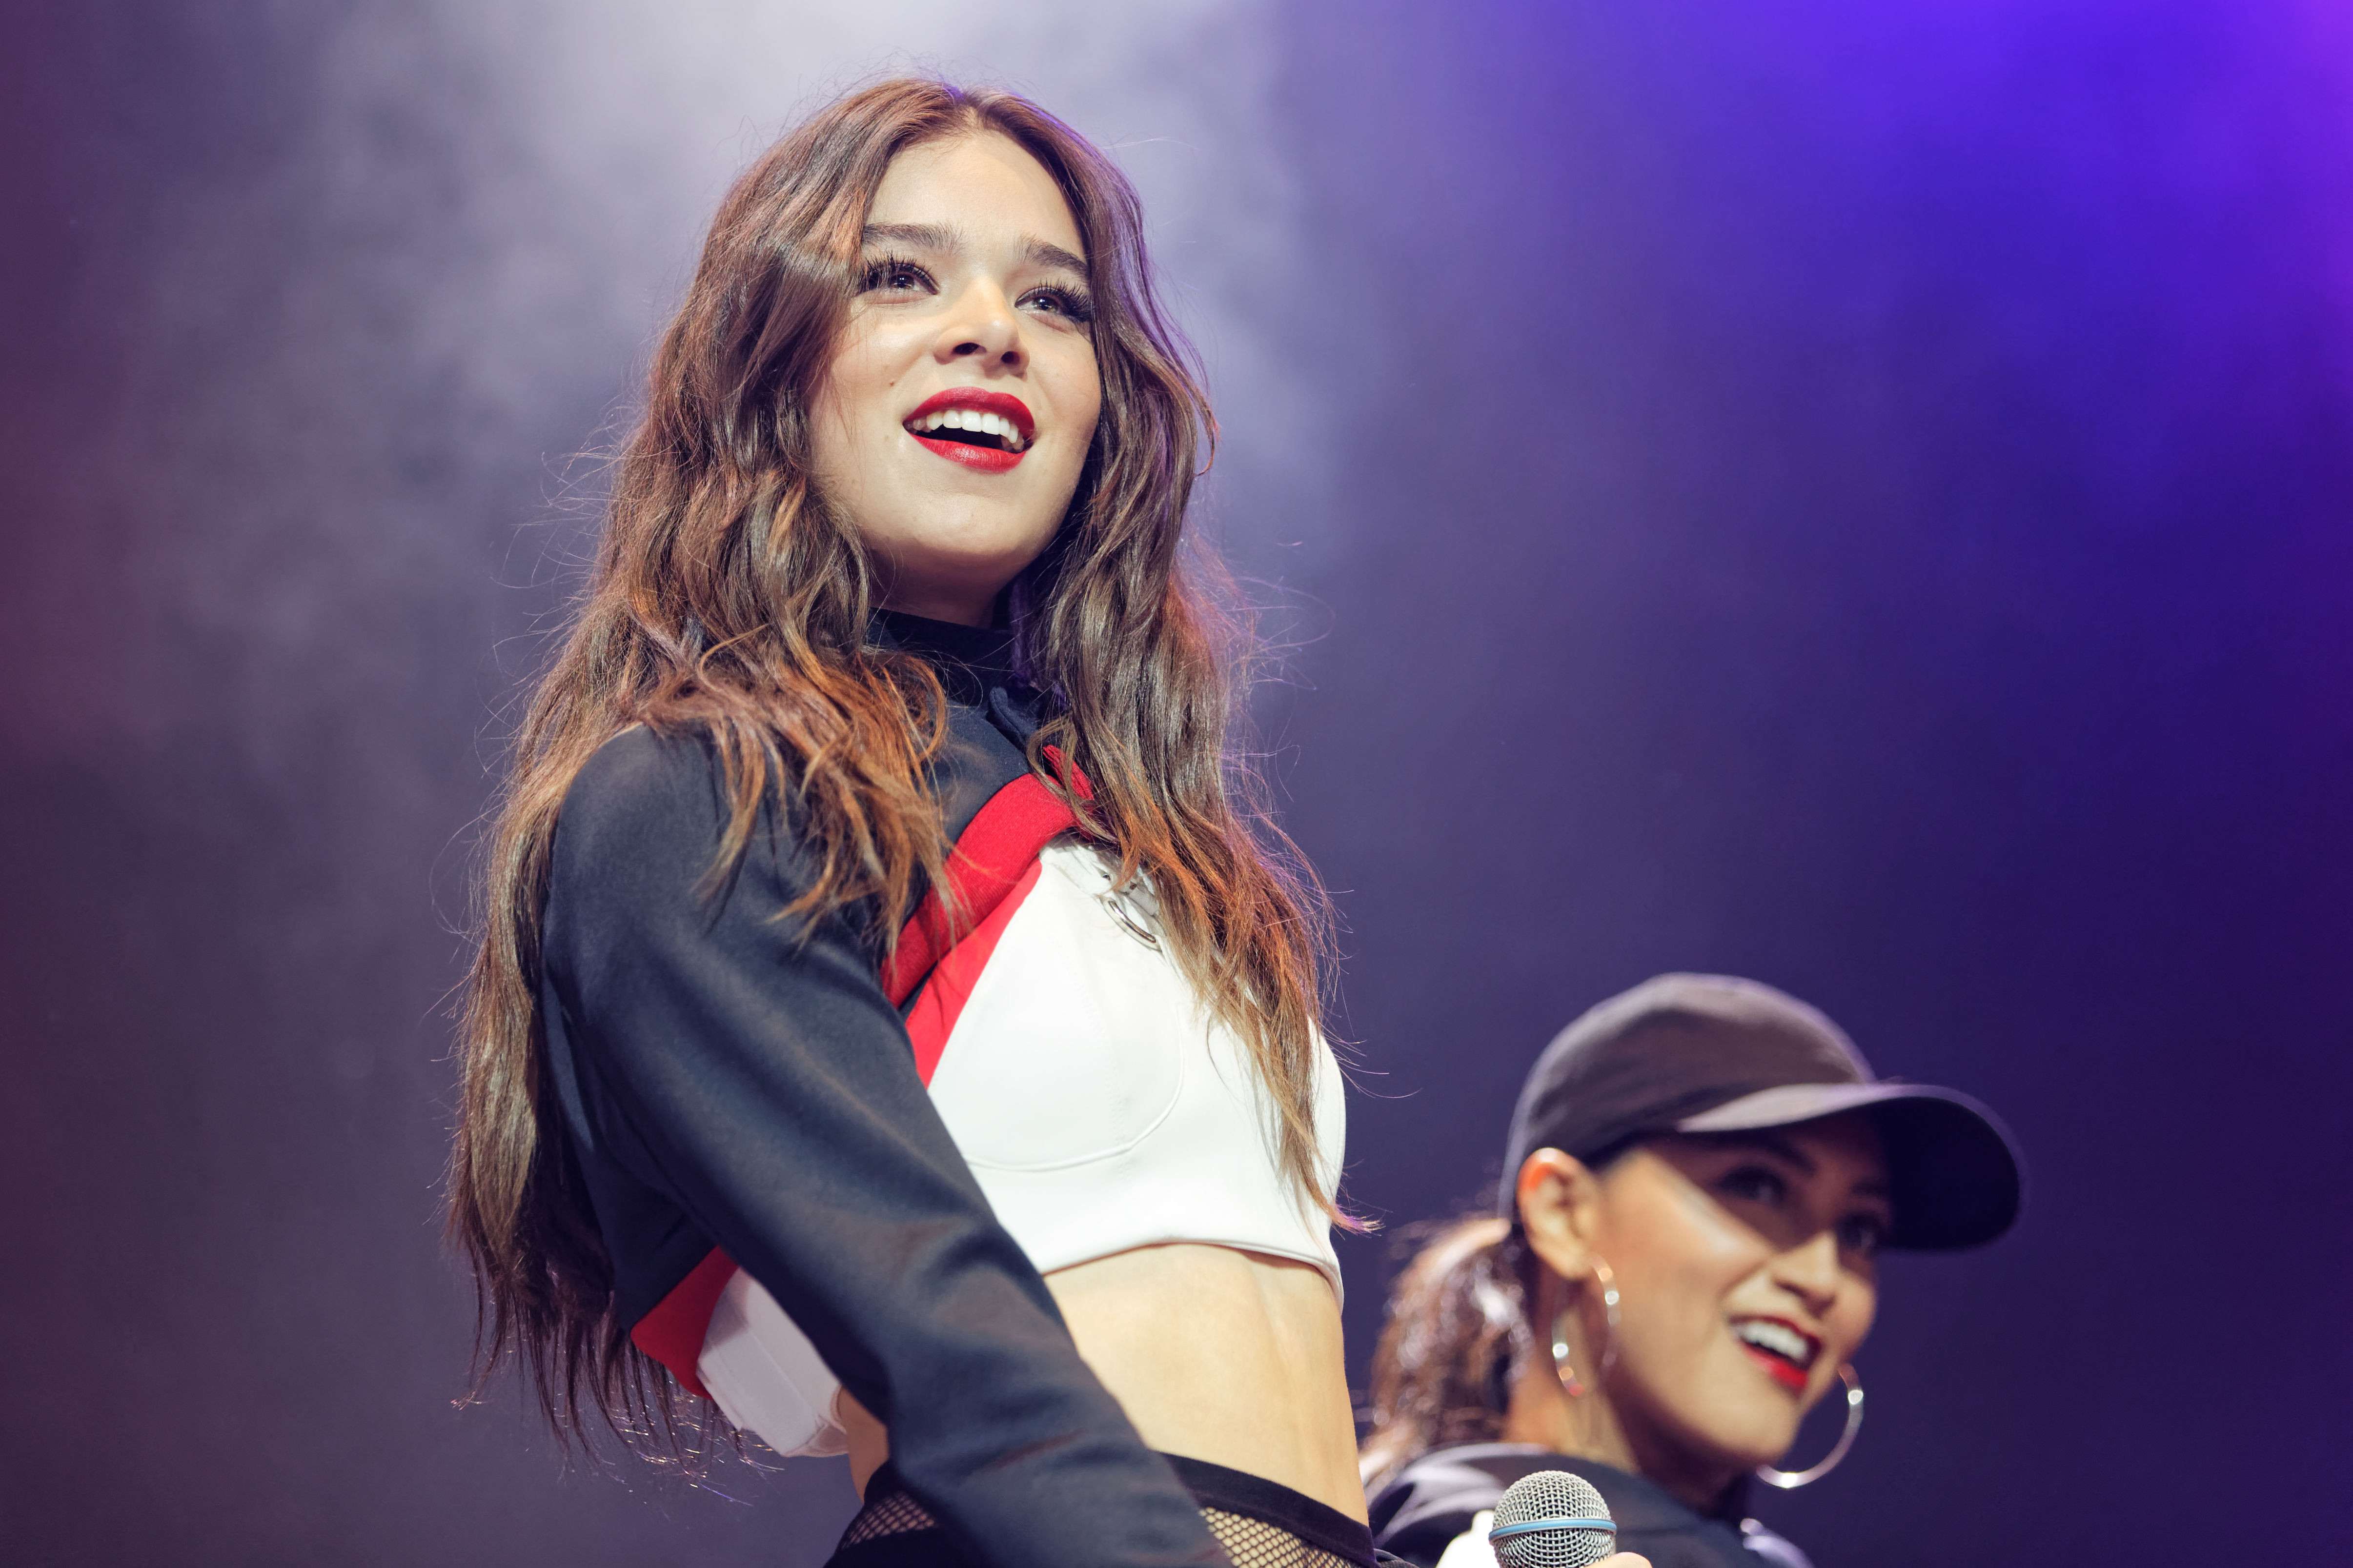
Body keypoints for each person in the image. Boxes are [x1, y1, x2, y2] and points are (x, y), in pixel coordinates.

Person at [444, 79, 1408, 1568]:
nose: (991, 329)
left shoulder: (1134, 827)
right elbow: (950, 1344)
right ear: (770, 361)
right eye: (899, 275)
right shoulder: (693, 799)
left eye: (1055, 300)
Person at [1360, 974, 2024, 1568]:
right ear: (1563, 1212)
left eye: (1859, 1230)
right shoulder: (1418, 1549)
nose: (1823, 1279)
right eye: (1757, 1185)